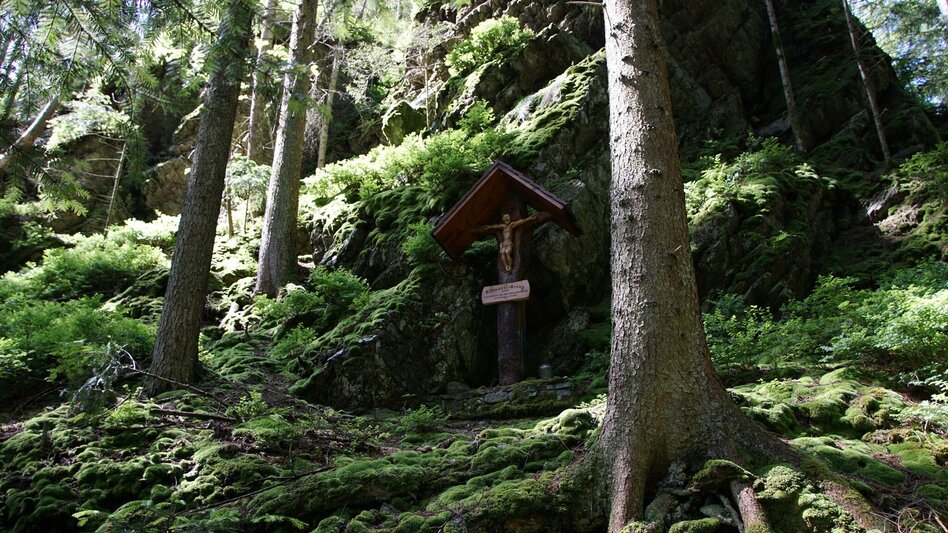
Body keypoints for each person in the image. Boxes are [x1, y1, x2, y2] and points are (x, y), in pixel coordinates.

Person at [477, 211, 552, 272]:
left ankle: (509, 266)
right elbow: (496, 226)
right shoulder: (503, 226)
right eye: (505, 218)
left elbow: (520, 222)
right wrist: (489, 227)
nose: (506, 219)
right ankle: (506, 266)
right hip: (504, 243)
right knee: (503, 254)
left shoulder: (511, 225)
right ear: (503, 219)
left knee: (507, 253)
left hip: (509, 242)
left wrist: (529, 218)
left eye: (507, 217)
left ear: (509, 218)